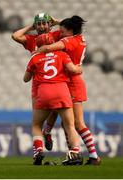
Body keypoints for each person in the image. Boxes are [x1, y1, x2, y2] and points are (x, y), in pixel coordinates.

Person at [33, 15, 101, 165]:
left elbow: (51, 46)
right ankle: (73, 154)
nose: (60, 33)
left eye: (63, 31)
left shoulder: (69, 41)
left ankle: (93, 156)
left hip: (73, 83)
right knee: (65, 121)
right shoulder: (78, 37)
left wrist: (41, 50)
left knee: (77, 123)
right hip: (66, 82)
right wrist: (58, 23)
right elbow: (58, 35)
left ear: (70, 31)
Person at [23, 33, 83, 165]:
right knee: (70, 126)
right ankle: (75, 152)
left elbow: (25, 79)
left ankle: (38, 150)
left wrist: (35, 69)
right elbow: (72, 69)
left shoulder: (35, 58)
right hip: (61, 90)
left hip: (44, 91)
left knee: (37, 124)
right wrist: (79, 69)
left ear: (38, 45)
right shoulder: (62, 55)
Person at [12, 13, 61, 151]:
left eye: (43, 23)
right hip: (38, 83)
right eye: (38, 24)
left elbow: (72, 29)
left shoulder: (57, 35)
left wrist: (56, 22)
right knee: (37, 118)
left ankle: (47, 131)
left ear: (49, 24)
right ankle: (38, 150)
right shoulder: (32, 39)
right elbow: (15, 36)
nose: (41, 26)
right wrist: (31, 27)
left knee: (56, 110)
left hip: (56, 80)